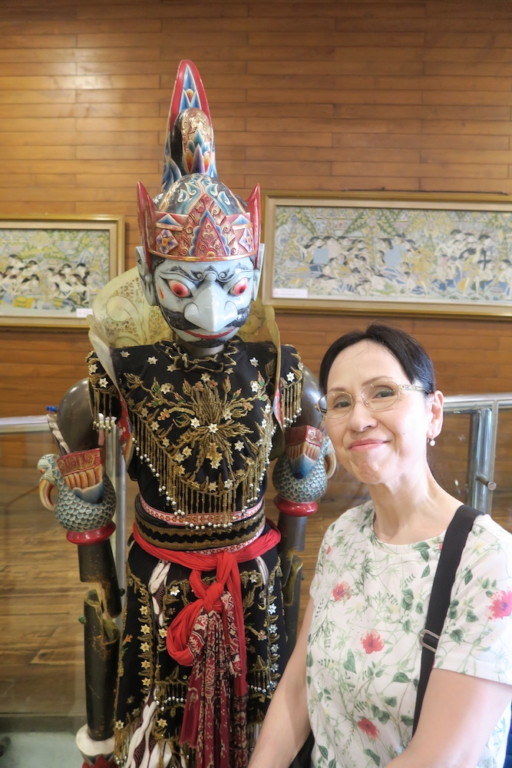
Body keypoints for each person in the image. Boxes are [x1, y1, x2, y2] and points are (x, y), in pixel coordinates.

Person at [42, 60, 332, 768]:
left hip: (254, 581)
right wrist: (90, 530)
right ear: (149, 276)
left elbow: (296, 522)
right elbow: (94, 567)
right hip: (159, 579)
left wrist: (297, 499)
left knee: (260, 727)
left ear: (253, 270)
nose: (210, 311)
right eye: (182, 286)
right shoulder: (116, 373)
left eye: (231, 285)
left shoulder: (282, 371)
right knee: (160, 732)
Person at [248, 323, 512, 768]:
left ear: (433, 413)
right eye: (341, 402)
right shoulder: (344, 536)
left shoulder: (488, 561)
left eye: (383, 393)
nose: (358, 419)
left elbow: (440, 759)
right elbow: (298, 687)